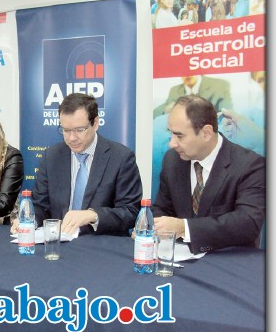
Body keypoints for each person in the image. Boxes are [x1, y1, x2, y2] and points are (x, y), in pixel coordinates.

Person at [153, 95, 265, 253]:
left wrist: (184, 228)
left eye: (179, 135)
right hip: (180, 260)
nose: (172, 143)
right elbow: (162, 208)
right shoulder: (172, 160)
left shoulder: (250, 166)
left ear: (206, 133)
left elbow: (248, 223)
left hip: (229, 262)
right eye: (170, 133)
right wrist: (152, 227)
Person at [25, 93, 142, 237]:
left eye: (79, 130)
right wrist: (29, 221)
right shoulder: (51, 156)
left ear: (96, 123)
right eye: (66, 130)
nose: (72, 138)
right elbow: (40, 205)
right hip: (59, 242)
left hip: (102, 246)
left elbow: (131, 212)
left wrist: (92, 215)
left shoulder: (121, 158)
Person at [153, 75, 232, 119]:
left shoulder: (220, 85)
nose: (187, 74)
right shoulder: (175, 90)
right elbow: (157, 111)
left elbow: (227, 113)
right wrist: (166, 109)